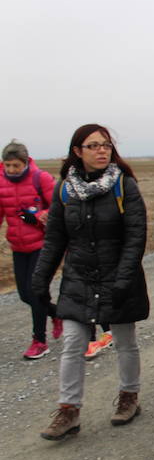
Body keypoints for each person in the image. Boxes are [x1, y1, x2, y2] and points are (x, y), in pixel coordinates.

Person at [32, 124, 149, 440]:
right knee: (72, 343)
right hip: (78, 279)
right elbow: (55, 238)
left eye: (106, 146)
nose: (102, 151)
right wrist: (40, 279)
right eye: (94, 145)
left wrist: (123, 280)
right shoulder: (65, 190)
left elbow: (135, 237)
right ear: (77, 151)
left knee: (124, 340)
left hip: (118, 278)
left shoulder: (125, 186)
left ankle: (129, 396)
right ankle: (68, 410)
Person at [0, 140, 61, 359]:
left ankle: (39, 341)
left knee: (35, 292)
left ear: (26, 163)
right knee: (25, 294)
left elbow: (58, 205)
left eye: (15, 165)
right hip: (18, 246)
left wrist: (37, 216)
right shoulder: (1, 182)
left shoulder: (40, 178)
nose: (11, 170)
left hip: (42, 245)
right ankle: (56, 314)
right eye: (7, 165)